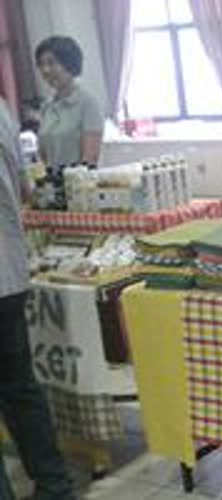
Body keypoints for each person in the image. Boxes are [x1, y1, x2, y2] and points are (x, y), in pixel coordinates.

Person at [0, 98, 75, 499]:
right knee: (19, 388)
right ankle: (54, 486)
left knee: (19, 387)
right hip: (8, 273)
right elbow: (24, 186)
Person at [35, 36, 104, 167]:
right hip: (52, 179)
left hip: (80, 178)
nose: (45, 70)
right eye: (41, 64)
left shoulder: (88, 103)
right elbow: (43, 157)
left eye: (51, 63)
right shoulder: (46, 107)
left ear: (69, 64)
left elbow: (90, 159)